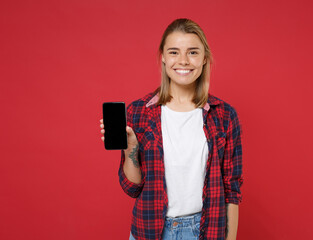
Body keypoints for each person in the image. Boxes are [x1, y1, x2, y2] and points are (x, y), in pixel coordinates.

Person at [100, 18, 243, 240]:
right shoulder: (139, 112)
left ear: (204, 58)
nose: (183, 61)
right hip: (149, 231)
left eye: (193, 52)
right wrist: (131, 149)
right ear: (164, 58)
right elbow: (131, 188)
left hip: (205, 231)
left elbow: (231, 188)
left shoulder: (224, 115)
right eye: (174, 52)